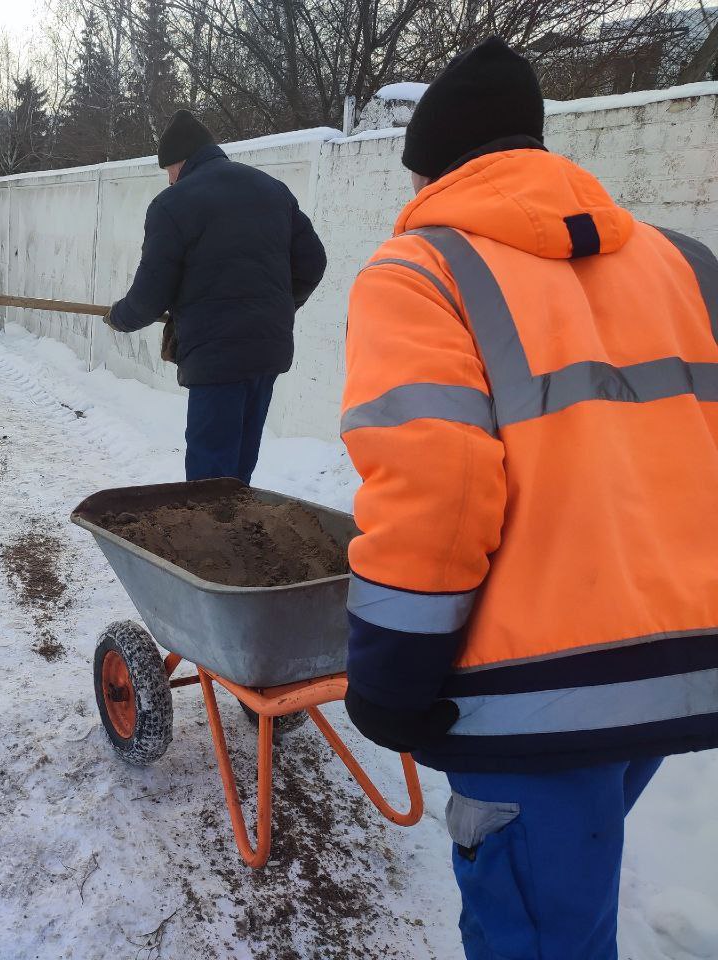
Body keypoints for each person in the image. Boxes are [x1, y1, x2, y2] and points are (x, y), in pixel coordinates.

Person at [340, 36, 718, 959]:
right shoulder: (685, 263)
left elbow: (438, 490)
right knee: (570, 906)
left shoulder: (419, 271)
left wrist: (390, 680)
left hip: (533, 693)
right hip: (674, 662)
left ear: (428, 169)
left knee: (539, 935)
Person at [106, 109, 326, 484]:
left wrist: (119, 317)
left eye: (168, 171)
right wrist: (278, 307)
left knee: (209, 476)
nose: (169, 180)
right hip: (266, 352)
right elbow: (313, 262)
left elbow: (149, 296)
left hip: (216, 355)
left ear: (178, 162)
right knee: (239, 469)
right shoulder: (272, 189)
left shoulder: (172, 204)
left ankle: (211, 540)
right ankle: (234, 536)